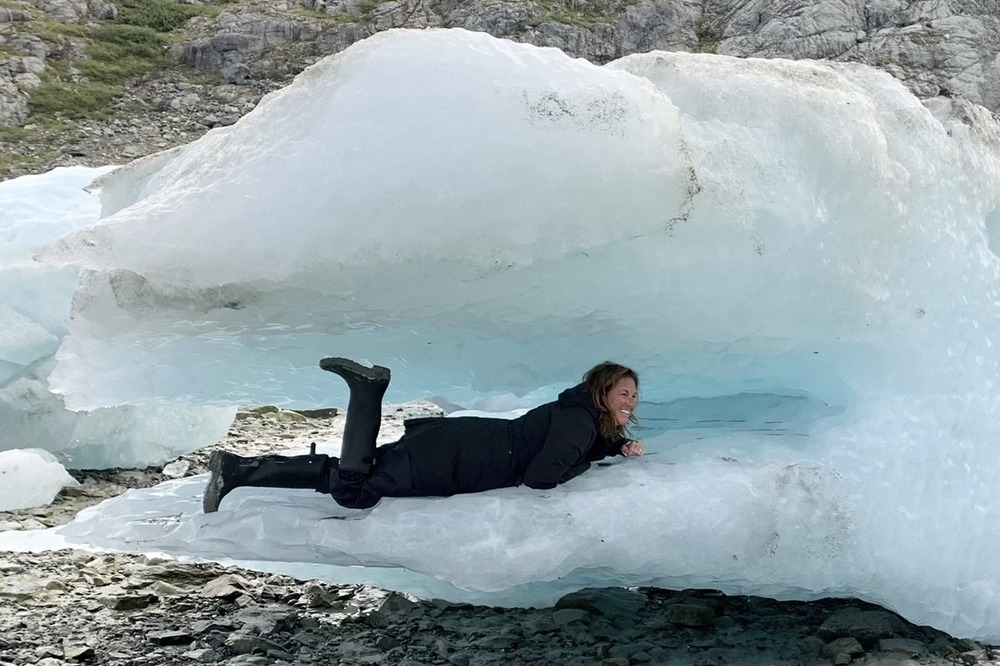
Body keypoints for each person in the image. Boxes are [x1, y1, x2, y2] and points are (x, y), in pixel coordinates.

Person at [203, 357, 645, 513]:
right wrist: (588, 462)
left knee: (358, 475)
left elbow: (578, 439)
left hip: (456, 444)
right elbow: (541, 476)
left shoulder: (580, 413)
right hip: (454, 460)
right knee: (355, 491)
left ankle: (238, 469)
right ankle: (366, 392)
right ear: (601, 390)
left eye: (634, 395)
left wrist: (617, 444)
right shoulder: (579, 420)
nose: (631, 401)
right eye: (624, 392)